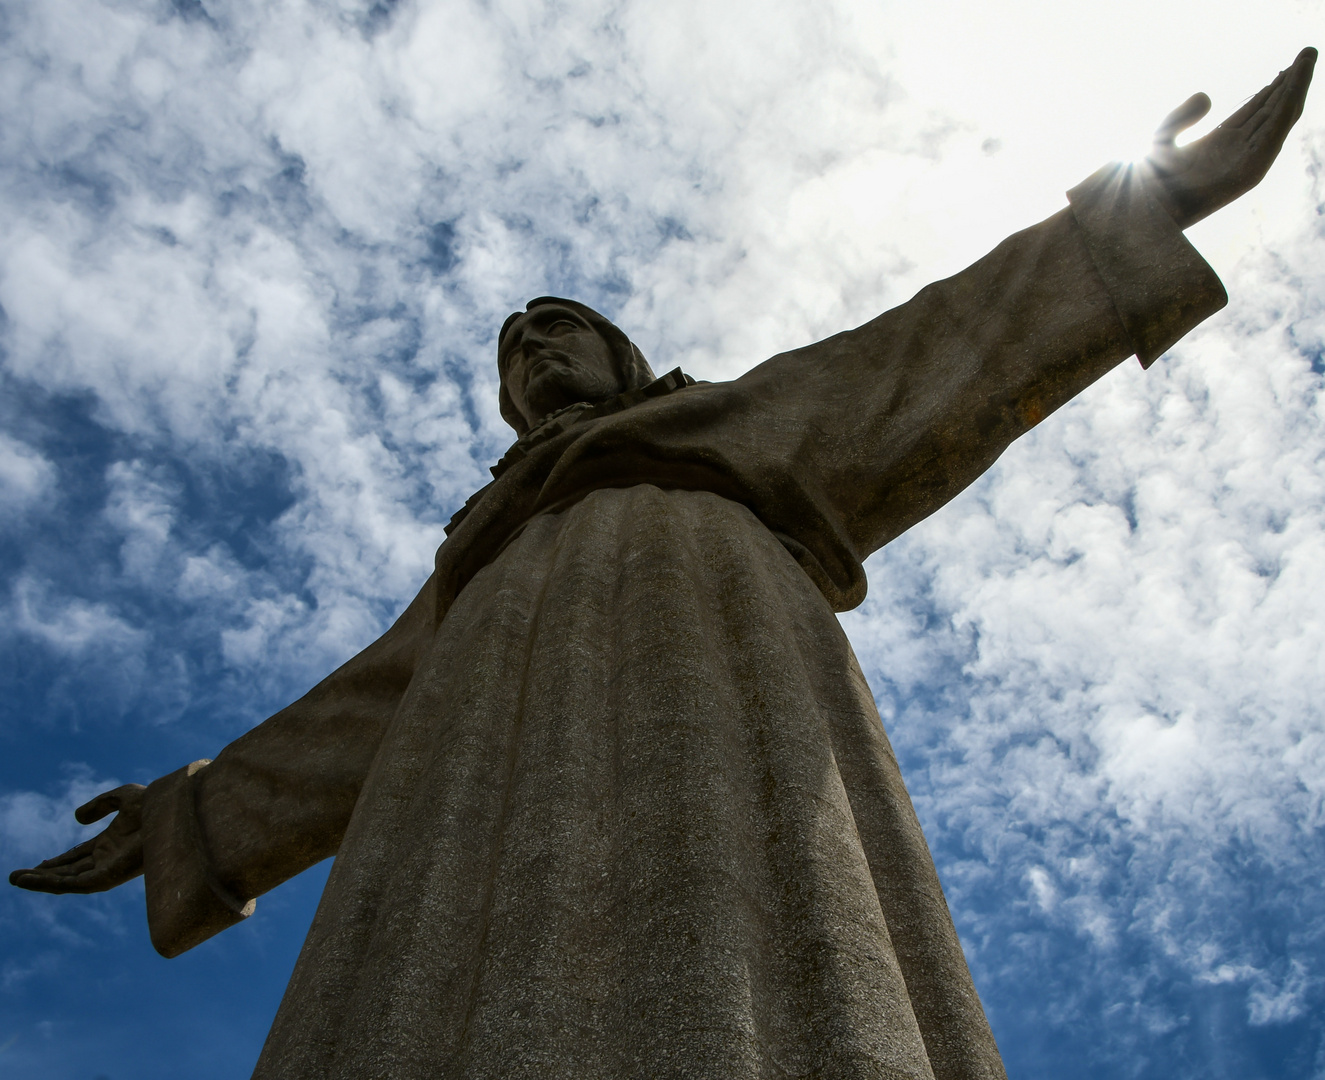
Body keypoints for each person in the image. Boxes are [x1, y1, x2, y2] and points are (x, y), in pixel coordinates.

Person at [12, 49, 1316, 1080]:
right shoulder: (487, 549)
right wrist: (200, 810)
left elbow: (922, 347)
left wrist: (1134, 217)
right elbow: (367, 705)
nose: (531, 347)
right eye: (513, 346)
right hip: (479, 750)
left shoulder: (735, 427)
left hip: (715, 629)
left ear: (626, 359)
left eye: (557, 327)